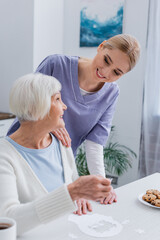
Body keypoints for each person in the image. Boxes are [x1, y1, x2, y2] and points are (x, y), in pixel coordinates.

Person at [7, 34, 140, 204]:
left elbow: (95, 143)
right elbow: (25, 102)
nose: (106, 72)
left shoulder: (111, 93)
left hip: (59, 166)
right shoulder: (56, 65)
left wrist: (101, 184)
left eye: (117, 72)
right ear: (101, 46)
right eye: (106, 60)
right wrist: (48, 123)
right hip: (23, 153)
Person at [0, 73, 113, 236]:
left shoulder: (61, 142)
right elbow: (7, 221)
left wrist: (78, 197)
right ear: (36, 108)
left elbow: (73, 182)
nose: (65, 106)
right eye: (58, 99)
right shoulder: (4, 155)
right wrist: (73, 193)